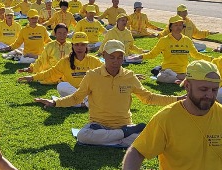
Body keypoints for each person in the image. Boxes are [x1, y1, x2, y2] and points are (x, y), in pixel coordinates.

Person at [38, 40, 179, 146]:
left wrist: (177, 99)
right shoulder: (92, 75)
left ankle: (117, 137)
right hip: (99, 125)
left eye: (119, 57)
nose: (116, 61)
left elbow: (148, 98)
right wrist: (55, 102)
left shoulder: (129, 76)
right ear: (104, 55)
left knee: (152, 141)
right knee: (83, 136)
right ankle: (122, 136)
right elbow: (76, 98)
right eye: (112, 57)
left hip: (123, 124)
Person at [19, 32, 102, 99]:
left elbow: (107, 70)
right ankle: (84, 102)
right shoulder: (65, 61)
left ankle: (79, 102)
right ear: (72, 46)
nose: (79, 48)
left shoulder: (94, 61)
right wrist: (32, 77)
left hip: (87, 91)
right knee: (61, 86)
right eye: (76, 45)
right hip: (71, 91)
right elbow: (50, 72)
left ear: (87, 46)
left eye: (82, 45)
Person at [139, 16, 212, 83]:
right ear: (170, 27)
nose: (179, 27)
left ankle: (178, 78)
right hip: (167, 71)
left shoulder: (187, 40)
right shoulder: (164, 40)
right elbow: (152, 54)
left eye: (180, 25)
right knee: (160, 77)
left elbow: (195, 54)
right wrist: (141, 56)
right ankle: (182, 79)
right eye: (176, 25)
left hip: (182, 71)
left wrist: (210, 59)